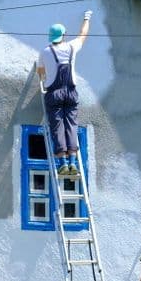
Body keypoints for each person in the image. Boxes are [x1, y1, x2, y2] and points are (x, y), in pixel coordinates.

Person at [35, 10, 91, 175]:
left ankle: (63, 163)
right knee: (71, 126)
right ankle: (73, 163)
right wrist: (87, 18)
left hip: (54, 94)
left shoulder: (45, 52)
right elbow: (83, 35)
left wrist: (46, 75)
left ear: (51, 37)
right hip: (71, 92)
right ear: (64, 35)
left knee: (57, 127)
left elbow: (40, 72)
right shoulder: (72, 47)